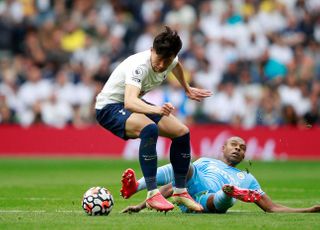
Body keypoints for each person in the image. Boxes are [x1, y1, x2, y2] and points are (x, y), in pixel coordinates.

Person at [95, 26, 212, 212]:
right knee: (149, 128)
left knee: (182, 132)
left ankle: (180, 192)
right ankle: (152, 194)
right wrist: (157, 109)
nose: (160, 65)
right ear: (152, 50)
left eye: (166, 61)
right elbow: (130, 102)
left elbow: (177, 66)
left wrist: (186, 87)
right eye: (158, 59)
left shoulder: (171, 59)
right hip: (109, 108)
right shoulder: (140, 66)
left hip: (132, 103)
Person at [121, 136, 320, 214]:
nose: (238, 150)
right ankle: (135, 187)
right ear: (223, 147)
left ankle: (229, 194)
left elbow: (272, 208)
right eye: (234, 145)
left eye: (242, 148)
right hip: (190, 193)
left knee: (223, 197)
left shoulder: (247, 177)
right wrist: (139, 207)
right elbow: (172, 186)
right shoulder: (205, 161)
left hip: (208, 202)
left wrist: (309, 210)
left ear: (244, 155)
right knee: (184, 165)